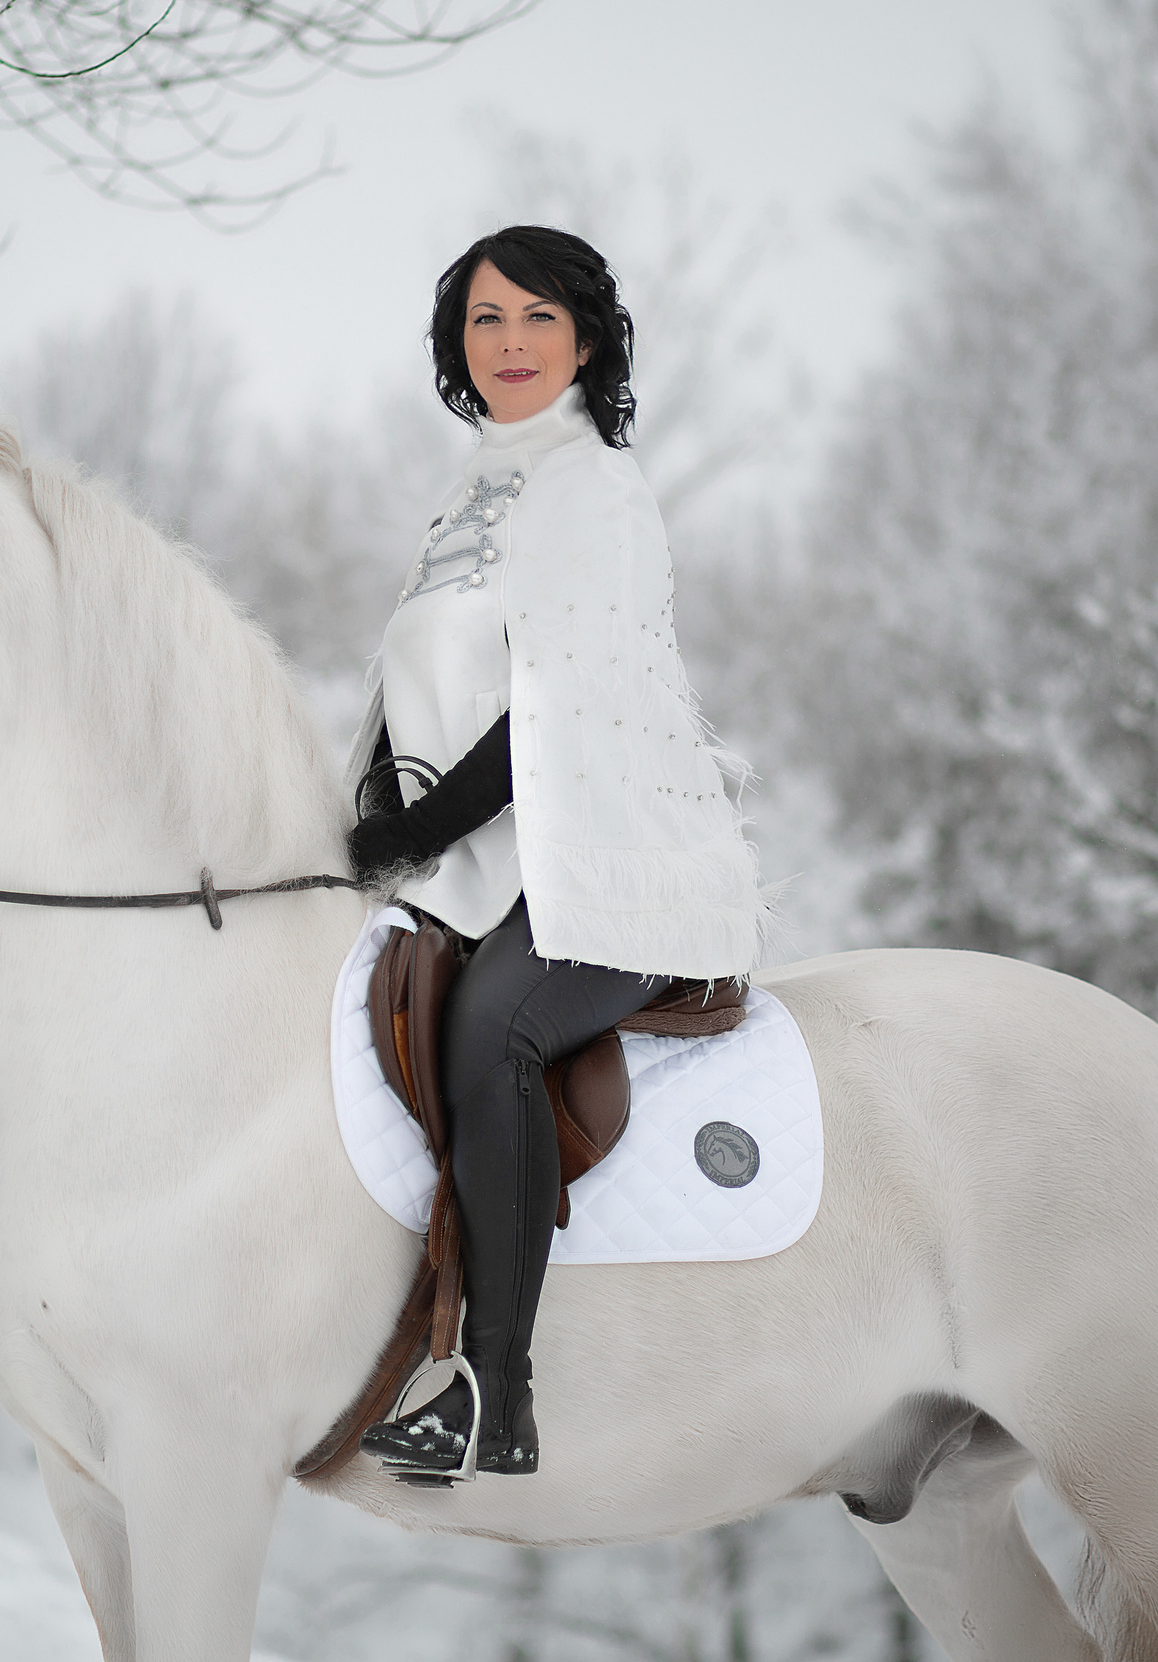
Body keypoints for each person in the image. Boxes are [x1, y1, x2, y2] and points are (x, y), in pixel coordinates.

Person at [346, 226, 766, 1479]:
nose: (511, 344)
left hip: (618, 863)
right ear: (453, 346)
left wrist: (421, 825)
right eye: (485, 320)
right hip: (483, 863)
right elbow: (421, 690)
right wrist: (366, 814)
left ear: (586, 338)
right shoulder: (476, 487)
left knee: (494, 1029)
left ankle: (492, 1389)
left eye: (538, 318)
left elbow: (563, 699)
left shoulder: (596, 488)